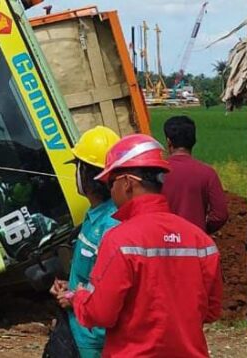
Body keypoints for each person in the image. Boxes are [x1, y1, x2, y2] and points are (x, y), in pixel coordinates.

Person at [69, 134, 223, 357]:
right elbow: (211, 311)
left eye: (111, 183)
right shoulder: (201, 241)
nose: (110, 191)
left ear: (127, 183)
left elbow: (101, 314)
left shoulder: (120, 240)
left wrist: (80, 297)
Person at [48, 126, 121, 358]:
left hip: (93, 339)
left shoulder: (111, 225)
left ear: (88, 175)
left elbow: (111, 290)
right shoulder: (94, 216)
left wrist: (73, 299)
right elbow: (92, 277)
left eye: (78, 167)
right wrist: (70, 289)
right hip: (78, 328)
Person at [161, 116, 228, 234]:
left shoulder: (156, 171)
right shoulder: (208, 173)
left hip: (161, 243)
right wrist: (202, 229)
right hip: (196, 244)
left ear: (168, 141)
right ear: (193, 141)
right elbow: (220, 214)